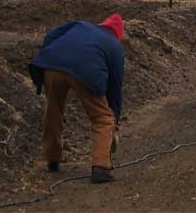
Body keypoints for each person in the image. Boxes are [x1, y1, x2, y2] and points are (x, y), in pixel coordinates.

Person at [28, 13, 125, 184]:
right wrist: (115, 119)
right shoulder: (115, 46)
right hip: (86, 71)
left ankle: (52, 161)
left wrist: (49, 52)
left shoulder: (80, 25)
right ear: (118, 34)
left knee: (53, 110)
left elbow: (51, 35)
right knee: (102, 118)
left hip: (52, 64)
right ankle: (101, 168)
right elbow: (115, 88)